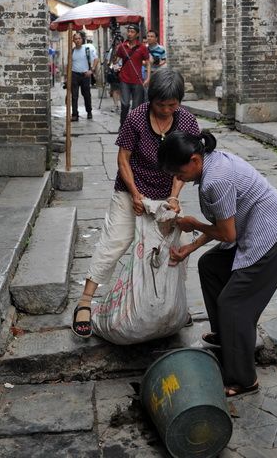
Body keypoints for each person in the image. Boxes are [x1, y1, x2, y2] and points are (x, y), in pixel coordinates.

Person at [158, 130, 277, 397]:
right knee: (211, 265)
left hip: (272, 237)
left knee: (234, 304)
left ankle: (244, 379)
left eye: (178, 172)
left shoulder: (215, 180)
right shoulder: (212, 163)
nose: (177, 179)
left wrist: (194, 226)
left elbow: (227, 234)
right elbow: (223, 227)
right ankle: (227, 336)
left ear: (195, 160)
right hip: (253, 229)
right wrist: (190, 247)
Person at [72, 68, 200, 338]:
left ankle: (174, 304)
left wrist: (174, 197)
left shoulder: (187, 121)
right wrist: (134, 194)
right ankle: (85, 301)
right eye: (161, 104)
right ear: (150, 99)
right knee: (114, 241)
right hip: (131, 190)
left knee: (172, 250)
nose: (166, 110)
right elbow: (123, 159)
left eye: (172, 105)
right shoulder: (136, 117)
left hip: (167, 193)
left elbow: (186, 165)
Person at [114, 24, 150, 127]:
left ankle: (134, 127)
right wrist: (114, 52)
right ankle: (123, 125)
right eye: (128, 31)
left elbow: (147, 62)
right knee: (125, 104)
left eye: (132, 32)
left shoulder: (142, 47)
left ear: (137, 34)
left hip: (137, 80)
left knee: (136, 106)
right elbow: (115, 60)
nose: (129, 34)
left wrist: (147, 78)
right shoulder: (122, 46)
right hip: (124, 79)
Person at [71, 31, 98, 121]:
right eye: (76, 39)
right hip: (74, 74)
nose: (78, 40)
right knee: (74, 95)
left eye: (79, 38)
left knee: (86, 94)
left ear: (82, 39)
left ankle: (89, 112)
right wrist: (67, 77)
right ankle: (75, 114)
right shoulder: (72, 51)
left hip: (85, 75)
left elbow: (96, 59)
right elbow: (69, 65)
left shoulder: (87, 49)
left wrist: (92, 70)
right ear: (73, 40)